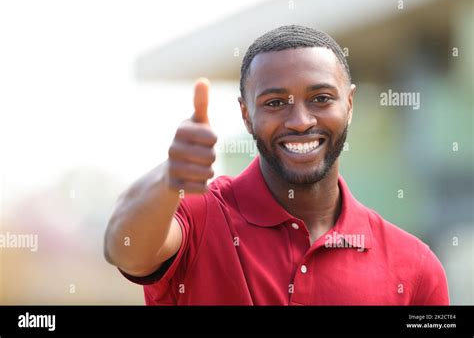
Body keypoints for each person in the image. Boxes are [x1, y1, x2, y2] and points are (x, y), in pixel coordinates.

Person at [103, 25, 449, 305]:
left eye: (321, 98)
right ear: (246, 115)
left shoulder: (415, 265)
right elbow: (126, 248)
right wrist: (171, 175)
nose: (300, 121)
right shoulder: (201, 215)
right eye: (275, 102)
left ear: (350, 104)